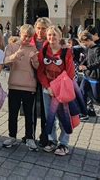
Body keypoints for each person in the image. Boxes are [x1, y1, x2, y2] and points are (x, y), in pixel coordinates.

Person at [37, 26, 75, 156]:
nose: (52, 38)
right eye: (49, 35)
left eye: (54, 35)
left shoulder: (66, 52)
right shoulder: (44, 51)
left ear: (59, 36)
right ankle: (52, 140)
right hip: (47, 89)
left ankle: (64, 143)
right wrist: (47, 86)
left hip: (61, 89)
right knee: (50, 116)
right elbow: (41, 71)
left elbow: (70, 73)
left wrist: (57, 87)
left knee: (63, 116)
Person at [3, 25, 39, 151]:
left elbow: (37, 67)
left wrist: (35, 61)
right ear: (20, 34)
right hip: (14, 84)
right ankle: (12, 136)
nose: (28, 38)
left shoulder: (33, 48)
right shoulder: (12, 46)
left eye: (30, 36)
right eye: (25, 35)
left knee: (29, 114)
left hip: (29, 86)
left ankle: (29, 138)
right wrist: (15, 56)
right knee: (13, 113)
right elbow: (5, 61)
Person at [32, 17, 52, 147]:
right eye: (38, 28)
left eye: (43, 29)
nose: (40, 31)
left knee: (46, 109)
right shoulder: (30, 40)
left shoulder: (50, 43)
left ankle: (45, 136)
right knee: (32, 107)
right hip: (31, 77)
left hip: (46, 79)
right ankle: (30, 134)